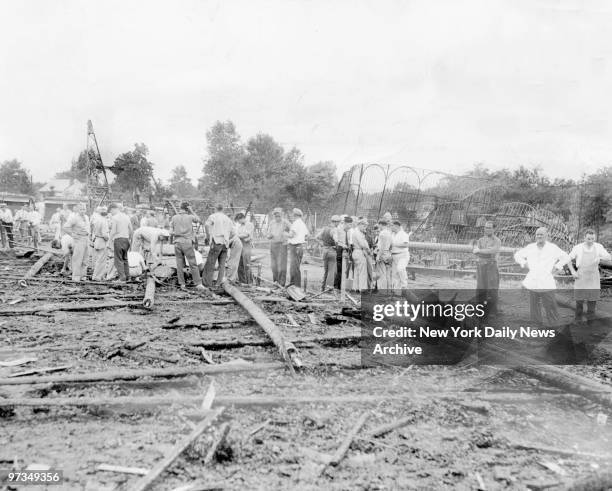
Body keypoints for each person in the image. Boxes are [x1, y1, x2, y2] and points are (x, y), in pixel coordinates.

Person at [514, 227, 569, 326]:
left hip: (546, 281)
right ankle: (537, 326)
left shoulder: (552, 248)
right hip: (533, 281)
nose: (539, 236)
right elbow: (517, 255)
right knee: (534, 305)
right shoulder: (530, 247)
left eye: (541, 234)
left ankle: (554, 326)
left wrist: (557, 267)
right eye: (537, 234)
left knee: (550, 305)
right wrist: (524, 263)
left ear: (546, 236)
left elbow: (566, 257)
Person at [566, 229, 611, 321]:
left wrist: (600, 257)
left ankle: (590, 323)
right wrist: (573, 271)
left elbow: (608, 257)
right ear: (584, 238)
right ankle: (578, 320)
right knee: (579, 301)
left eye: (592, 239)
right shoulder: (577, 248)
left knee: (592, 300)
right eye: (588, 239)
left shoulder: (598, 247)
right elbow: (567, 259)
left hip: (593, 276)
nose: (591, 241)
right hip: (581, 275)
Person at [171, 201, 205, 291]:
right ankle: (198, 283)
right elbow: (199, 220)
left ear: (180, 208)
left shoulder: (174, 217)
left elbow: (171, 231)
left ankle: (182, 284)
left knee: (179, 264)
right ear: (187, 209)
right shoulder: (190, 217)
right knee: (193, 263)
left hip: (177, 242)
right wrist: (192, 211)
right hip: (187, 242)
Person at [473, 221, 502, 315]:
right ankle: (480, 309)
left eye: (489, 228)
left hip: (491, 266)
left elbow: (493, 250)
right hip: (481, 265)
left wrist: (481, 251)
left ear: (494, 229)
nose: (487, 229)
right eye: (486, 227)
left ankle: (493, 310)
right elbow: (475, 251)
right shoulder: (480, 240)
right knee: (480, 287)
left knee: (492, 288)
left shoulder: (497, 240)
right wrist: (482, 251)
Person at [203, 204, 234, 287]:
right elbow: (233, 232)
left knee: (210, 263)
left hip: (216, 241)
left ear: (215, 209)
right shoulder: (228, 219)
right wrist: (227, 238)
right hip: (225, 244)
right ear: (222, 209)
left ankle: (207, 284)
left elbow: (206, 225)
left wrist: (208, 236)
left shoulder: (213, 216)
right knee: (222, 265)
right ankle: (218, 283)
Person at [63, 203, 90, 281]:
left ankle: (83, 276)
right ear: (78, 210)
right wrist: (72, 234)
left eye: (84, 209)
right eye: (81, 209)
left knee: (85, 259)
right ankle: (76, 277)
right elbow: (65, 227)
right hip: (79, 240)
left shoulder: (87, 217)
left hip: (86, 239)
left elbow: (88, 228)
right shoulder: (74, 218)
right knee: (77, 259)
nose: (83, 211)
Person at [109, 203, 133, 283]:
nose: (111, 213)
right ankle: (127, 277)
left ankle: (122, 278)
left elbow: (113, 231)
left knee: (118, 260)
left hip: (118, 239)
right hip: (126, 239)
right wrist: (130, 239)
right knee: (125, 259)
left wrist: (109, 241)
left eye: (111, 211)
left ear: (114, 209)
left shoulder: (115, 218)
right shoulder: (126, 216)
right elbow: (131, 229)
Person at [266, 208, 290, 286]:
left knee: (282, 265)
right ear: (274, 215)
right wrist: (269, 236)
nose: (277, 217)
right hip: (273, 245)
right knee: (274, 265)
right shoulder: (272, 223)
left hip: (282, 246)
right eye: (275, 215)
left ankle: (282, 283)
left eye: (279, 215)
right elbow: (267, 234)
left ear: (281, 214)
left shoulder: (285, 222)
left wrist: (287, 236)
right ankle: (275, 282)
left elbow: (293, 231)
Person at [315, 215, 339, 291]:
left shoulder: (324, 228)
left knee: (326, 270)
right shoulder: (334, 230)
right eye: (338, 222)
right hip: (332, 251)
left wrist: (322, 244)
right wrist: (337, 246)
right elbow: (336, 240)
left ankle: (323, 288)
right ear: (335, 222)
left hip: (324, 251)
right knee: (331, 271)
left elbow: (316, 237)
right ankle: (328, 289)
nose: (338, 223)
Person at [287, 208, 309, 287]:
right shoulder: (302, 223)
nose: (291, 215)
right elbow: (307, 235)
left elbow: (291, 235)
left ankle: (296, 286)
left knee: (294, 268)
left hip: (295, 247)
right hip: (299, 247)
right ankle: (293, 284)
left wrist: (284, 234)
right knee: (295, 267)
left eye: (292, 214)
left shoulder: (296, 223)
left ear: (295, 215)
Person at [351, 218, 372, 292]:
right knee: (362, 271)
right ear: (360, 224)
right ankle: (362, 289)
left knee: (357, 271)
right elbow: (363, 244)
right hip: (359, 252)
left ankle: (355, 288)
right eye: (364, 226)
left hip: (356, 252)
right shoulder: (358, 233)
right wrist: (368, 250)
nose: (365, 227)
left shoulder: (357, 232)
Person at [390, 221, 410, 292]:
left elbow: (406, 245)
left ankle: (404, 286)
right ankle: (397, 290)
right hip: (394, 255)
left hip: (402, 255)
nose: (390, 227)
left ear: (396, 226)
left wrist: (395, 244)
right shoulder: (392, 234)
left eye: (392, 225)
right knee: (395, 273)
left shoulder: (403, 234)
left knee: (400, 269)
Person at [91, 206, 110, 281]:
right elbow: (105, 234)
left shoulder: (97, 220)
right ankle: (97, 277)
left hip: (97, 240)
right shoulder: (104, 221)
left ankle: (97, 276)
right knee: (101, 261)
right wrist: (108, 238)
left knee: (98, 260)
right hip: (102, 241)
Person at [236, 212, 254, 284]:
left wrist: (238, 236)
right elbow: (239, 235)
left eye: (238, 220)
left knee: (246, 264)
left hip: (246, 245)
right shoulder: (240, 226)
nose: (238, 222)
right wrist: (239, 235)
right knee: (239, 264)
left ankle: (249, 281)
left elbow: (246, 234)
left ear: (242, 218)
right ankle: (242, 281)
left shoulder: (249, 224)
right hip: (240, 245)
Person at [375, 219, 392, 290]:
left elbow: (382, 246)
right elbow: (391, 245)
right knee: (387, 274)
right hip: (388, 254)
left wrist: (378, 256)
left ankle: (382, 291)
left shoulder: (382, 233)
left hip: (382, 254)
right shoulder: (389, 232)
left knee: (381, 274)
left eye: (379, 225)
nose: (379, 227)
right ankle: (388, 290)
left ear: (381, 225)